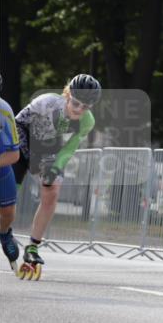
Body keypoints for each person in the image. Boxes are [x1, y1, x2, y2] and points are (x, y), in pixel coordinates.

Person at [12, 74, 101, 279]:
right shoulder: (46, 103)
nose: (79, 110)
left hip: (48, 151)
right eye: (76, 103)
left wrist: (56, 167)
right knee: (8, 196)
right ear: (67, 95)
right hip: (23, 139)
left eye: (85, 107)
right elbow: (16, 124)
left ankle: (33, 246)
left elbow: (70, 146)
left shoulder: (87, 122)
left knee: (52, 192)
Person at [0, 74, 22, 271]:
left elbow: (14, 154)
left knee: (8, 213)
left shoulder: (4, 110)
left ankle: (5, 233)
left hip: (1, 168)